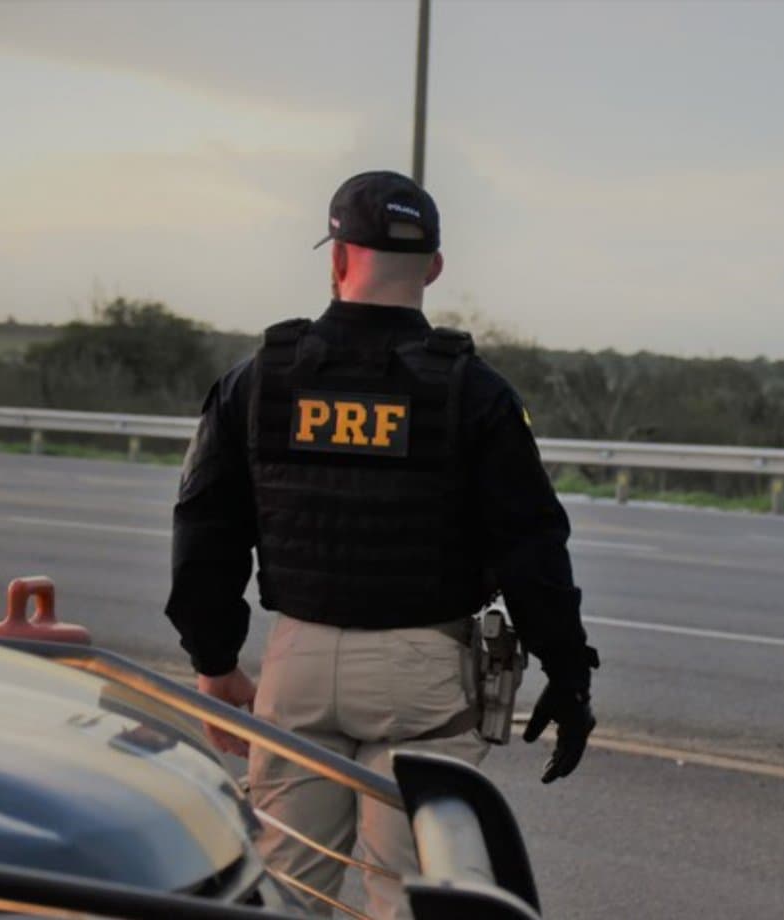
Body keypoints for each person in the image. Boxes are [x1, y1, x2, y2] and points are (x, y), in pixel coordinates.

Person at [164, 170, 598, 917]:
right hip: (422, 674)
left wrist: (213, 664)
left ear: (337, 258)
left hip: (295, 663)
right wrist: (568, 671)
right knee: (405, 895)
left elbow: (205, 532)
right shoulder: (477, 391)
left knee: (283, 888)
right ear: (433, 268)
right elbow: (532, 548)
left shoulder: (257, 380)